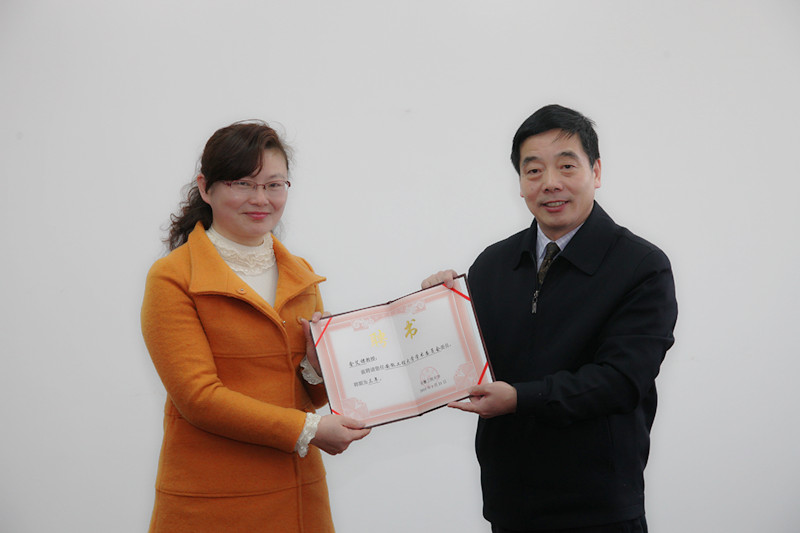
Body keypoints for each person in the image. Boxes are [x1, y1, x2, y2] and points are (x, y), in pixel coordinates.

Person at [423, 105, 678, 533]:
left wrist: (520, 399)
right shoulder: (492, 265)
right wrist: (435, 311)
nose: (550, 183)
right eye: (534, 170)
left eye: (566, 166)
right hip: (510, 505)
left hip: (598, 508)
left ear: (596, 171)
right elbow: (463, 362)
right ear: (521, 183)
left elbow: (620, 380)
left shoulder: (641, 266)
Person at [141, 120, 370, 532]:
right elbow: (198, 398)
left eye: (274, 185)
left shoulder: (301, 274)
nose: (260, 199)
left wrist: (317, 367)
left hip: (298, 498)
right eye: (243, 184)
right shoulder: (172, 277)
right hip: (215, 501)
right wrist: (309, 429)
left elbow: (310, 397)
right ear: (206, 187)